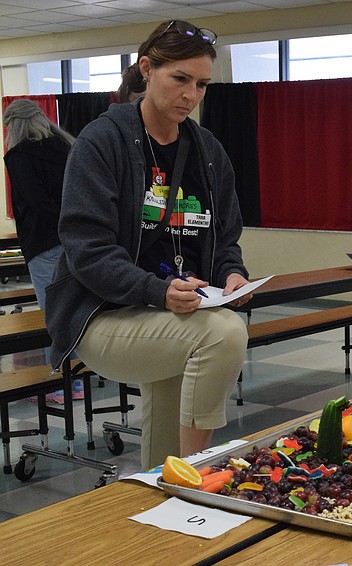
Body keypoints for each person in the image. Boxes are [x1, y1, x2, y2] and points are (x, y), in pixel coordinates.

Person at [45, 20, 252, 470]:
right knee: (223, 334)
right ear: (146, 70)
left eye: (201, 85)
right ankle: (193, 475)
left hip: (174, 311)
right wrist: (156, 291)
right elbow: (88, 250)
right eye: (180, 79)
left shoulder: (208, 151)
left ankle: (165, 486)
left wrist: (231, 274)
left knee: (166, 437)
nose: (190, 95)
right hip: (103, 315)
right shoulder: (103, 141)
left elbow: (224, 238)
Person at [2, 99, 85, 402]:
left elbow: (35, 200)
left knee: (53, 314)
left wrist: (58, 225)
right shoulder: (66, 146)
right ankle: (78, 378)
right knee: (74, 309)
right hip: (75, 239)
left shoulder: (18, 155)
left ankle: (59, 384)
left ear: (12, 125)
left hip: (43, 241)